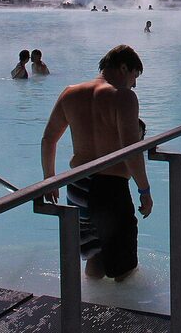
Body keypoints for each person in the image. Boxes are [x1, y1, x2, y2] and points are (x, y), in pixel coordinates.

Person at [41, 45, 152, 281]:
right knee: (123, 268)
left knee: (94, 257)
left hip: (77, 184)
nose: (134, 84)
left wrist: (50, 180)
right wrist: (145, 191)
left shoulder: (70, 93)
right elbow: (132, 151)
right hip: (109, 188)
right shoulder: (122, 97)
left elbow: (49, 138)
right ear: (123, 67)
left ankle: (90, 308)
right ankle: (125, 316)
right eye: (134, 76)